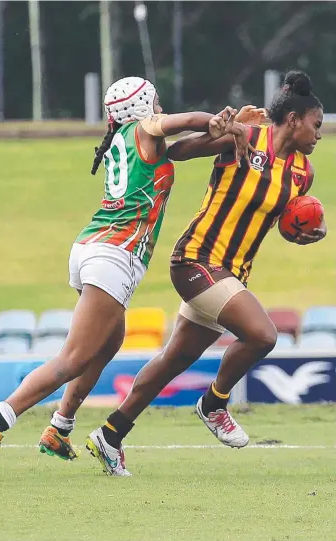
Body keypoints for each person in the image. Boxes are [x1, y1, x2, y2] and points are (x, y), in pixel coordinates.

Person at [0, 76, 250, 480]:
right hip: (114, 256)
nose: (160, 109)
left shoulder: (125, 139)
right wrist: (217, 120)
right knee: (73, 358)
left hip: (91, 247)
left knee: (109, 340)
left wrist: (234, 129)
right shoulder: (145, 127)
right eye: (155, 103)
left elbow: (186, 147)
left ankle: (60, 427)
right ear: (143, 108)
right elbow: (181, 122)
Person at [84, 70, 327, 476]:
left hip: (231, 274)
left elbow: (279, 220)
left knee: (174, 359)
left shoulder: (303, 173)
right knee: (263, 335)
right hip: (196, 259)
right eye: (316, 125)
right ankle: (214, 403)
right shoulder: (248, 138)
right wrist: (228, 129)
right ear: (294, 120)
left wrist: (302, 235)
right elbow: (176, 152)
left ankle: (110, 434)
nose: (319, 134)